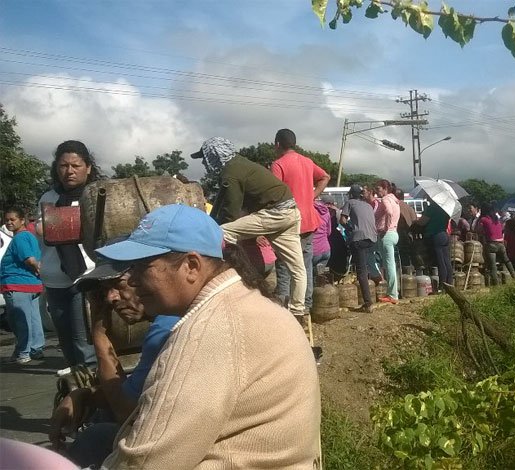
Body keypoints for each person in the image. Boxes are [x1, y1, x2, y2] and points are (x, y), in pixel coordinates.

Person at [94, 204, 321, 468]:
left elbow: (147, 460)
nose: (132, 281)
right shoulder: (244, 303)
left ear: (191, 266)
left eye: (143, 267)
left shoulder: (209, 332)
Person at [49, 258, 178, 468]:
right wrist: (84, 395)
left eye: (119, 285)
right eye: (104, 291)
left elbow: (125, 411)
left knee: (94, 437)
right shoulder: (168, 319)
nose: (110, 298)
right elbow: (130, 395)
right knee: (102, 415)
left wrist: (100, 336)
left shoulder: (166, 327)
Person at [192, 136, 307, 318]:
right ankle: (298, 311)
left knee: (223, 232)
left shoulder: (231, 172)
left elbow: (231, 210)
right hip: (291, 212)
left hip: (275, 213)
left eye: (205, 158)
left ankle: (239, 271)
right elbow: (222, 200)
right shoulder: (239, 165)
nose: (205, 163)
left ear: (213, 155)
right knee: (298, 269)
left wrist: (209, 231)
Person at [38, 140, 99, 367]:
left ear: (88, 167)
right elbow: (43, 231)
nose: (69, 171)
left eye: (76, 165)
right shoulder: (47, 198)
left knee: (84, 343)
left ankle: (95, 395)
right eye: (63, 166)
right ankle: (78, 391)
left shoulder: (96, 196)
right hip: (54, 279)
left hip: (84, 277)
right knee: (65, 343)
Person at [270, 129, 331, 310]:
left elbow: (275, 195)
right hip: (310, 222)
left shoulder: (278, 165)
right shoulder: (307, 161)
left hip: (289, 223)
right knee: (305, 266)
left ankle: (285, 307)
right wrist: (311, 196)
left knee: (285, 267)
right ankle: (306, 306)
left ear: (278, 144)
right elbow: (325, 177)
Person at [1, 207, 44, 364]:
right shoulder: (30, 236)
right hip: (31, 284)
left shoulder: (19, 238)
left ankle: (23, 352)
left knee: (19, 320)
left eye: (13, 219)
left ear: (22, 220)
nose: (9, 222)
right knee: (33, 319)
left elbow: (30, 259)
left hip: (18, 285)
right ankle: (35, 349)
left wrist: (39, 270)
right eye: (6, 220)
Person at [341, 185, 377, 313]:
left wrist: (350, 228)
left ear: (351, 195)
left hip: (359, 239)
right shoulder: (368, 205)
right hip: (372, 239)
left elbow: (342, 220)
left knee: (361, 271)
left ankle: (368, 303)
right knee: (369, 267)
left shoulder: (349, 202)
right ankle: (375, 293)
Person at [414, 198, 453, 289]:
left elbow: (423, 222)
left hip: (435, 235)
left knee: (440, 261)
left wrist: (416, 221)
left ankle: (442, 285)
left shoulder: (432, 208)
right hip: (444, 234)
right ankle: (450, 282)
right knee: (447, 260)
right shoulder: (445, 208)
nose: (427, 198)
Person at [477, 203, 515, 285]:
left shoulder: (483, 219)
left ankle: (495, 283)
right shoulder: (496, 220)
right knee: (506, 260)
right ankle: (514, 276)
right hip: (501, 244)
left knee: (493, 265)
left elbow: (478, 230)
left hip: (491, 244)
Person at [374, 179, 400, 303]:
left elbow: (389, 212)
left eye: (378, 189)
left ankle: (393, 295)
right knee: (391, 264)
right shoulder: (395, 200)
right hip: (394, 233)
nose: (377, 192)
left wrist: (386, 227)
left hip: (387, 234)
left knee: (389, 265)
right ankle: (393, 293)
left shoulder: (385, 200)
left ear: (385, 189)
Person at [394, 187, 417, 268]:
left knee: (399, 258)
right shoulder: (410, 208)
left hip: (397, 235)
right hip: (408, 236)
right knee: (407, 257)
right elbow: (414, 221)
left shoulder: (394, 207)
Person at [312, 198, 332, 274]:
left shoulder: (311, 210)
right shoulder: (327, 212)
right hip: (326, 249)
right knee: (319, 275)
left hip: (314, 250)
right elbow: (329, 232)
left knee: (309, 275)